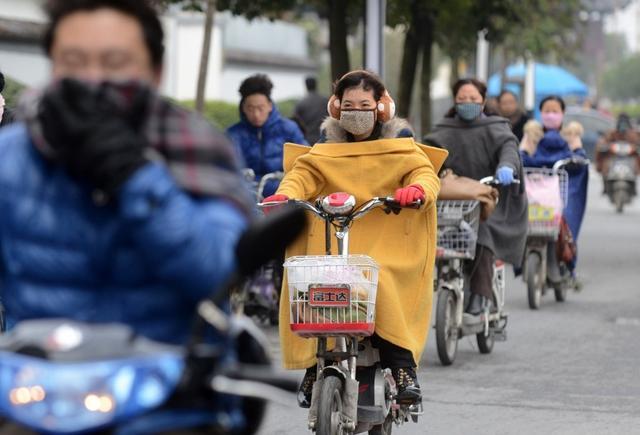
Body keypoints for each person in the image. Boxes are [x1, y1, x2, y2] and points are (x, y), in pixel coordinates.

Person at [0, 0, 253, 344]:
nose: (92, 78)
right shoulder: (14, 155)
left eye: (115, 63)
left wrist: (135, 175)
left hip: (172, 382)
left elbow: (215, 274)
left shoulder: (198, 149)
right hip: (44, 382)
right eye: (73, 62)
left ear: (156, 71)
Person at [263, 70, 447, 407]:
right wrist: (283, 195)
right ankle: (312, 365)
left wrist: (416, 190)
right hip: (334, 238)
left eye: (365, 104)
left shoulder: (400, 148)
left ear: (381, 107)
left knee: (383, 281)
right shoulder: (323, 151)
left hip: (385, 239)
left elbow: (424, 173)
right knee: (310, 280)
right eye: (349, 105)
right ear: (336, 108)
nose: (356, 112)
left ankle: (403, 368)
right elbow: (301, 175)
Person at [425, 78, 528, 316]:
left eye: (473, 98)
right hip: (451, 201)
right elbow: (428, 156)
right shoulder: (443, 129)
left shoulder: (496, 127)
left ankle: (481, 295)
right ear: (454, 101)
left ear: (483, 100)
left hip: (488, 200)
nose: (468, 103)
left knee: (481, 234)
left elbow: (509, 149)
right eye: (462, 99)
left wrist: (507, 167)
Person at [519, 95, 589, 273]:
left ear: (562, 113)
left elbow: (580, 156)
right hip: (536, 188)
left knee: (566, 217)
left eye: (555, 111)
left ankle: (565, 259)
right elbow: (521, 154)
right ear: (540, 113)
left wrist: (576, 160)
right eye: (546, 111)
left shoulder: (571, 134)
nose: (550, 115)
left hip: (562, 188)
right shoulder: (532, 134)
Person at [227, 74, 307, 197]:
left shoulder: (289, 129)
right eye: (250, 108)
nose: (256, 114)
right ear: (243, 108)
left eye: (261, 108)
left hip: (283, 193)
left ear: (270, 106)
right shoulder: (233, 135)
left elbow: (306, 161)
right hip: (247, 196)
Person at [293, 76, 328, 145]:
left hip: (308, 139)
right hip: (325, 136)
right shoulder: (325, 100)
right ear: (316, 84)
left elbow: (295, 121)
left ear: (306, 86)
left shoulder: (301, 103)